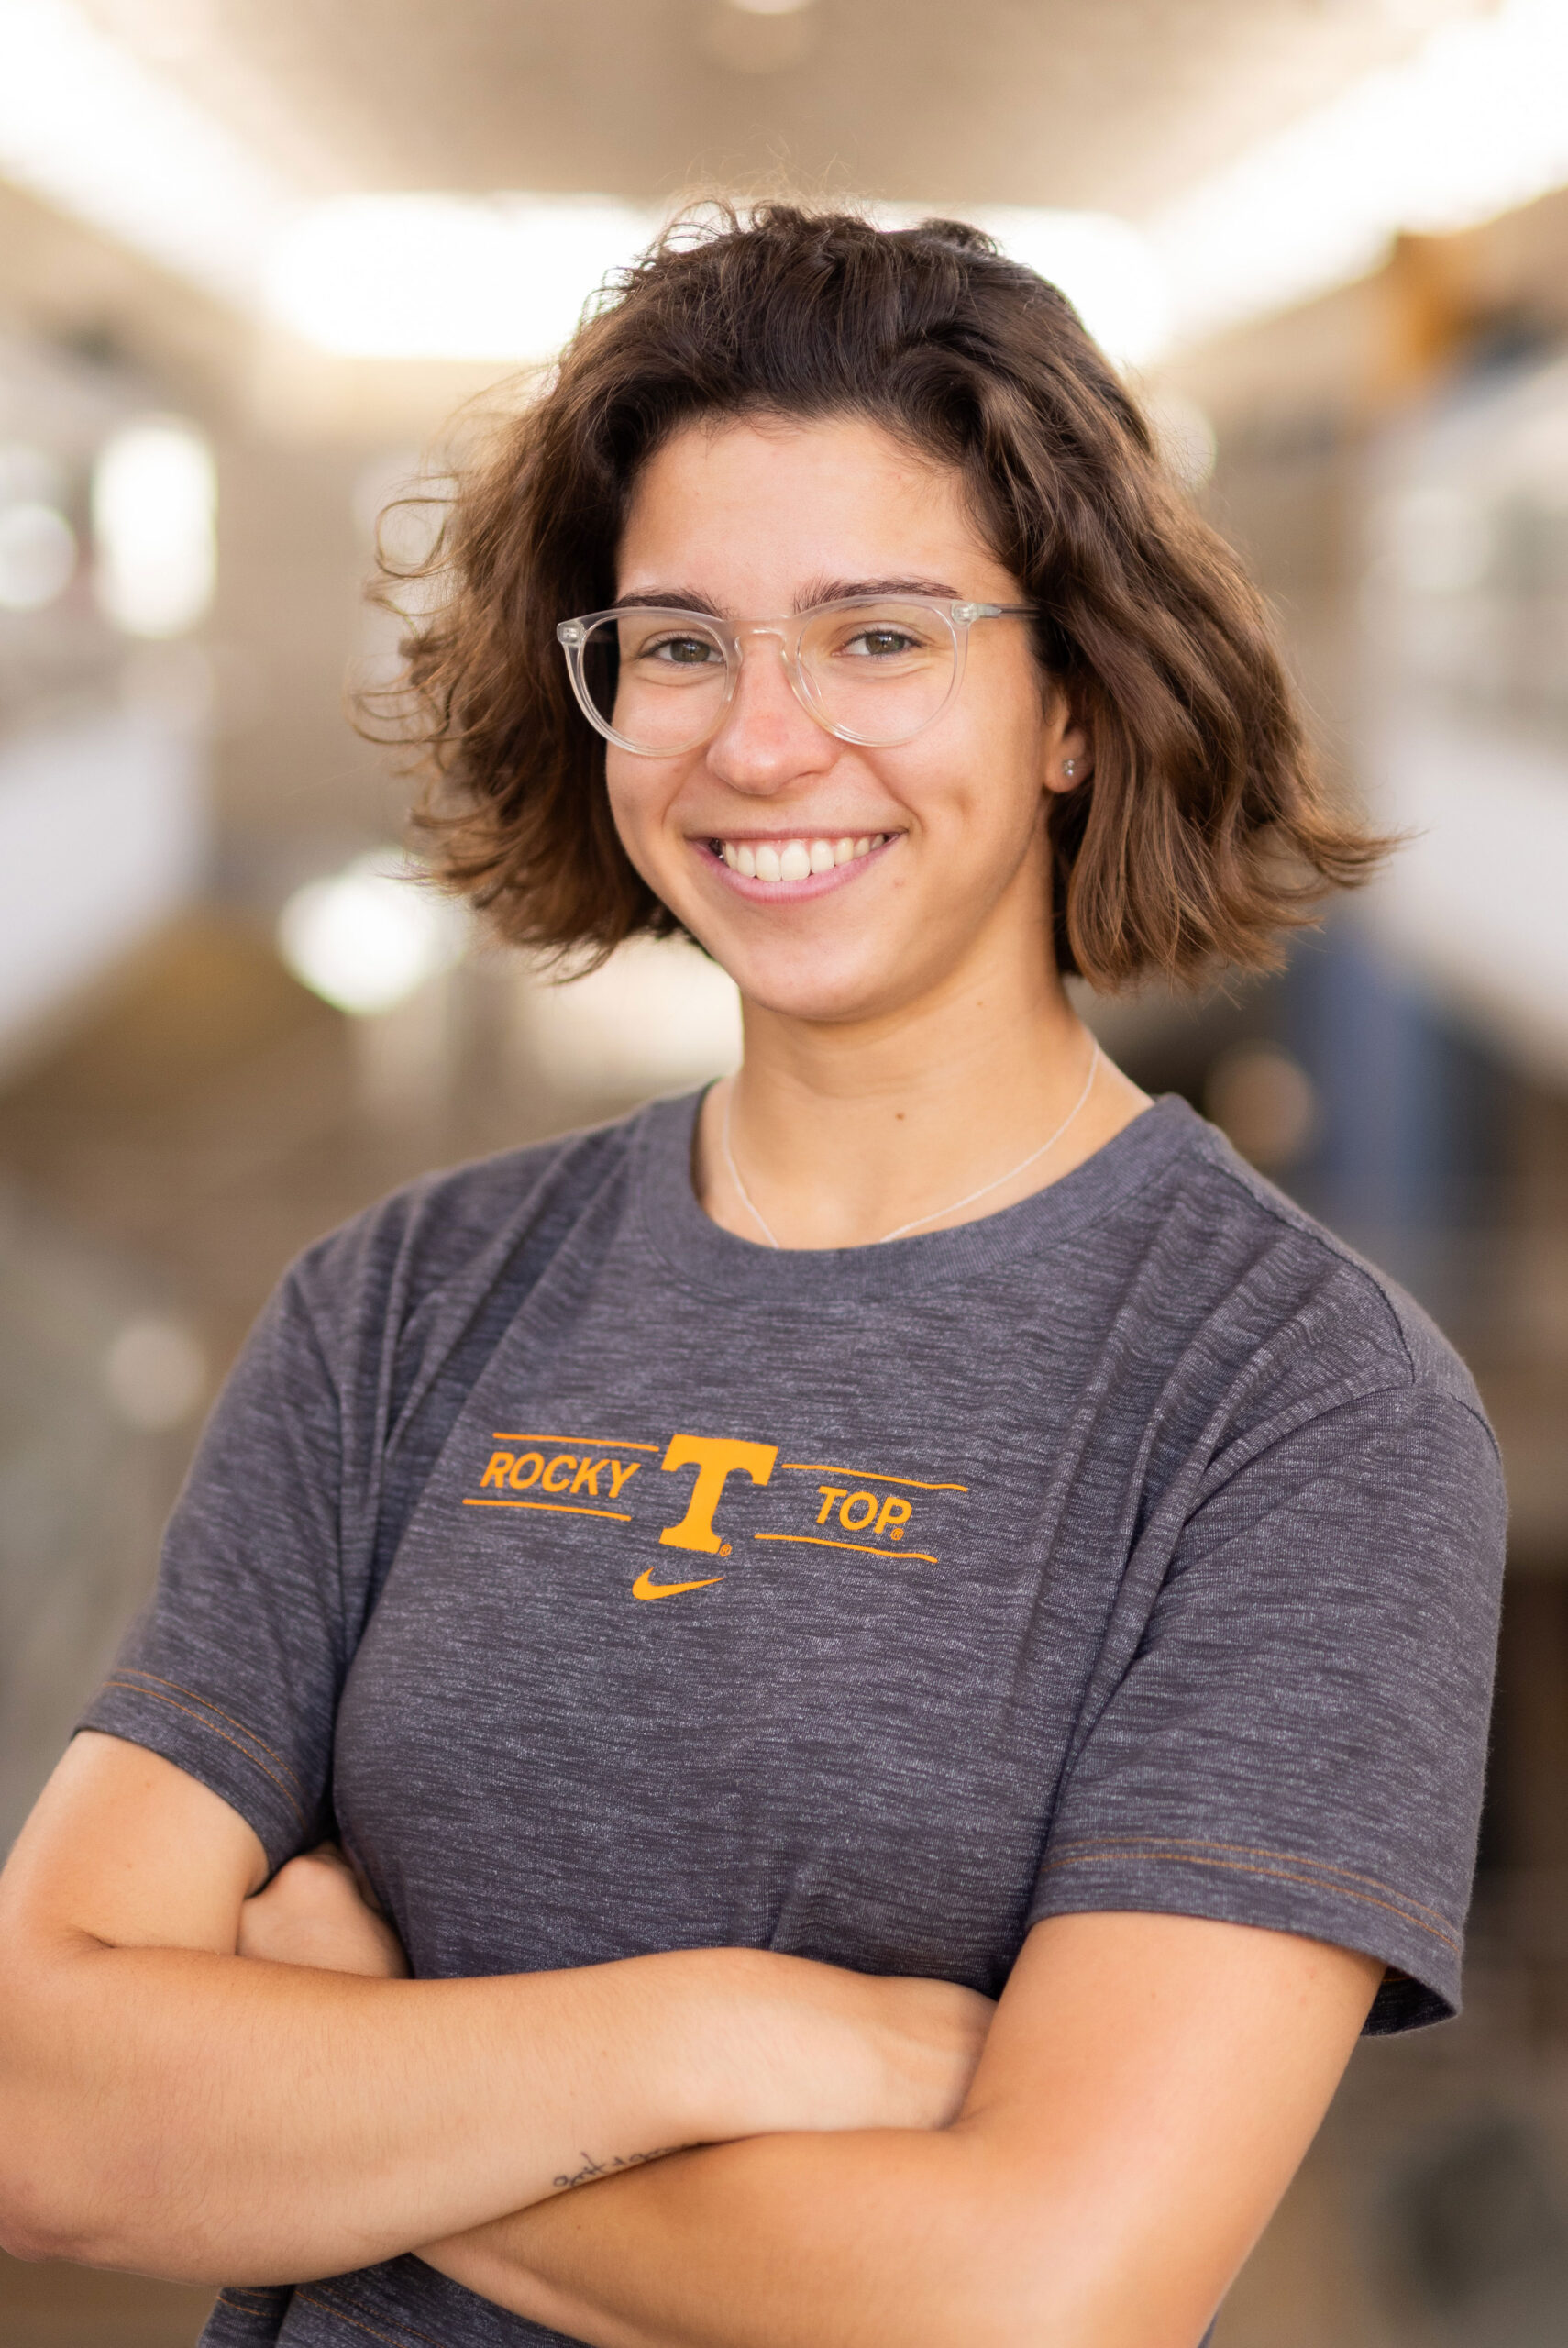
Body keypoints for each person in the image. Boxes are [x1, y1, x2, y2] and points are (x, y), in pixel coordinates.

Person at [0, 210, 1505, 2348]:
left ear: (1074, 699)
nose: (763, 741)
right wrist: (713, 2035)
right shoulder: (401, 1306)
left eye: (878, 637)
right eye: (681, 644)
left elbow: (1029, 2305)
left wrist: (348, 2064)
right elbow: (43, 2111)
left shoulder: (1298, 1412)